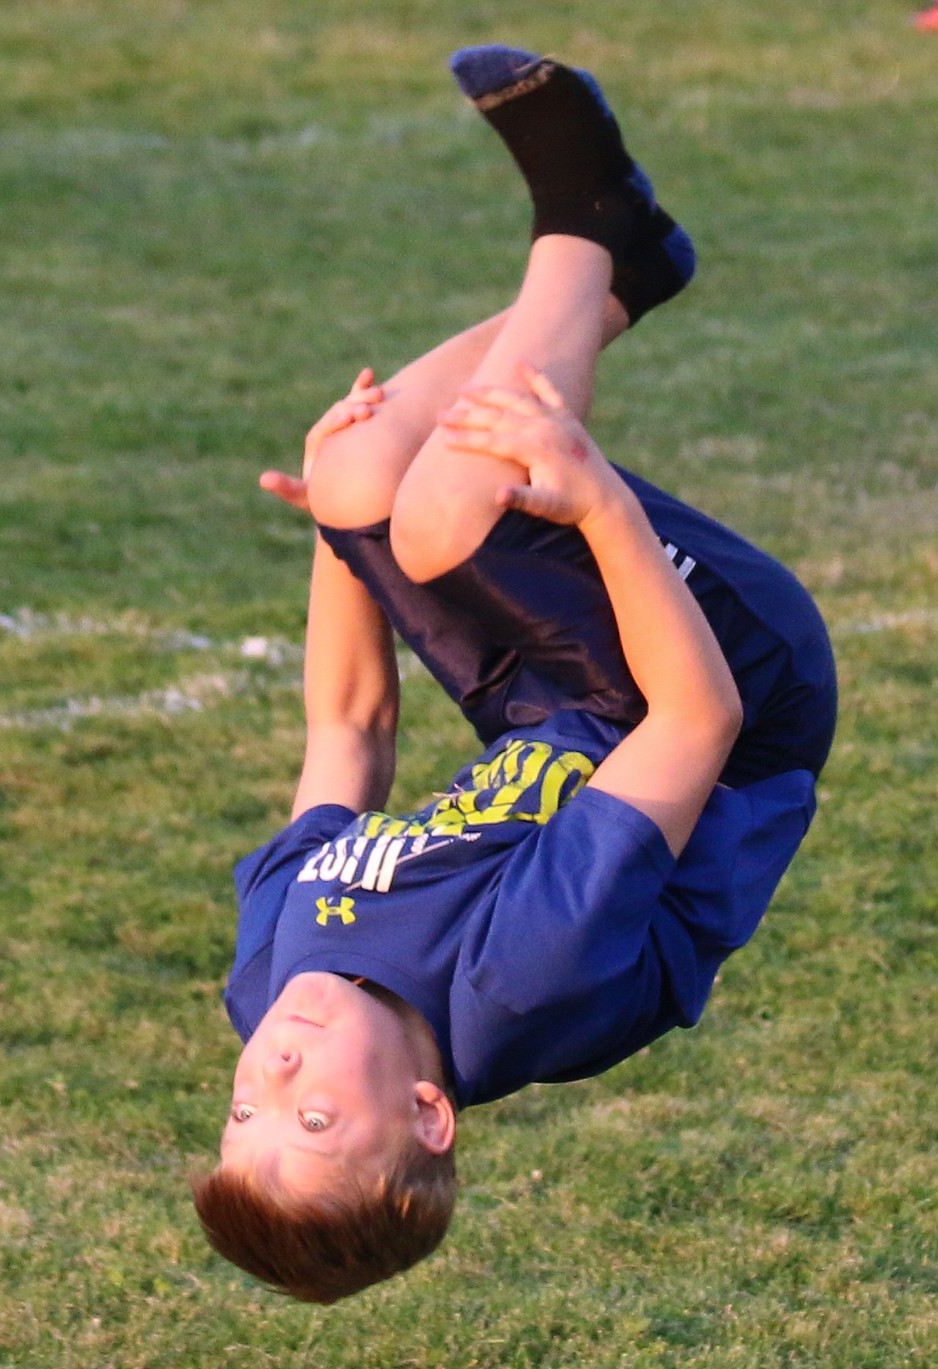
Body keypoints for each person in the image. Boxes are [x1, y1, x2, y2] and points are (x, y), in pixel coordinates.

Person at [192, 48, 837, 1304]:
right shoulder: (523, 985)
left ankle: (615, 266)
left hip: (558, 708)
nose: (276, 1074)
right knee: (446, 512)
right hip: (730, 693)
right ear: (430, 1114)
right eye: (316, 1121)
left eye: (243, 1109)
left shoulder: (273, 974)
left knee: (372, 474)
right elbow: (699, 722)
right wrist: (594, 502)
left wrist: (336, 529)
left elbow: (349, 728)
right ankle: (587, 224)